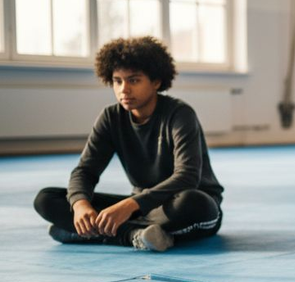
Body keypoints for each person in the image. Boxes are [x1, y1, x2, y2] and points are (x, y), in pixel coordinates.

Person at [33, 36, 224, 251]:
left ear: (156, 82)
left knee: (193, 202)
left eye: (133, 80)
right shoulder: (110, 117)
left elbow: (187, 176)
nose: (124, 89)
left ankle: (91, 234)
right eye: (117, 81)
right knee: (46, 198)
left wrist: (130, 205)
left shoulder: (180, 114)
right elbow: (85, 171)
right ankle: (134, 234)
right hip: (142, 209)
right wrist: (80, 206)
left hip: (181, 206)